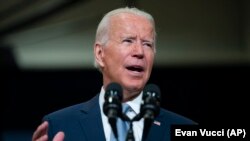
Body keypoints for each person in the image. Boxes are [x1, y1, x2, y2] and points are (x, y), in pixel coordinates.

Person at [32, 7, 196, 141]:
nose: (139, 52)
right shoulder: (60, 125)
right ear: (100, 53)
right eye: (128, 40)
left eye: (147, 44)